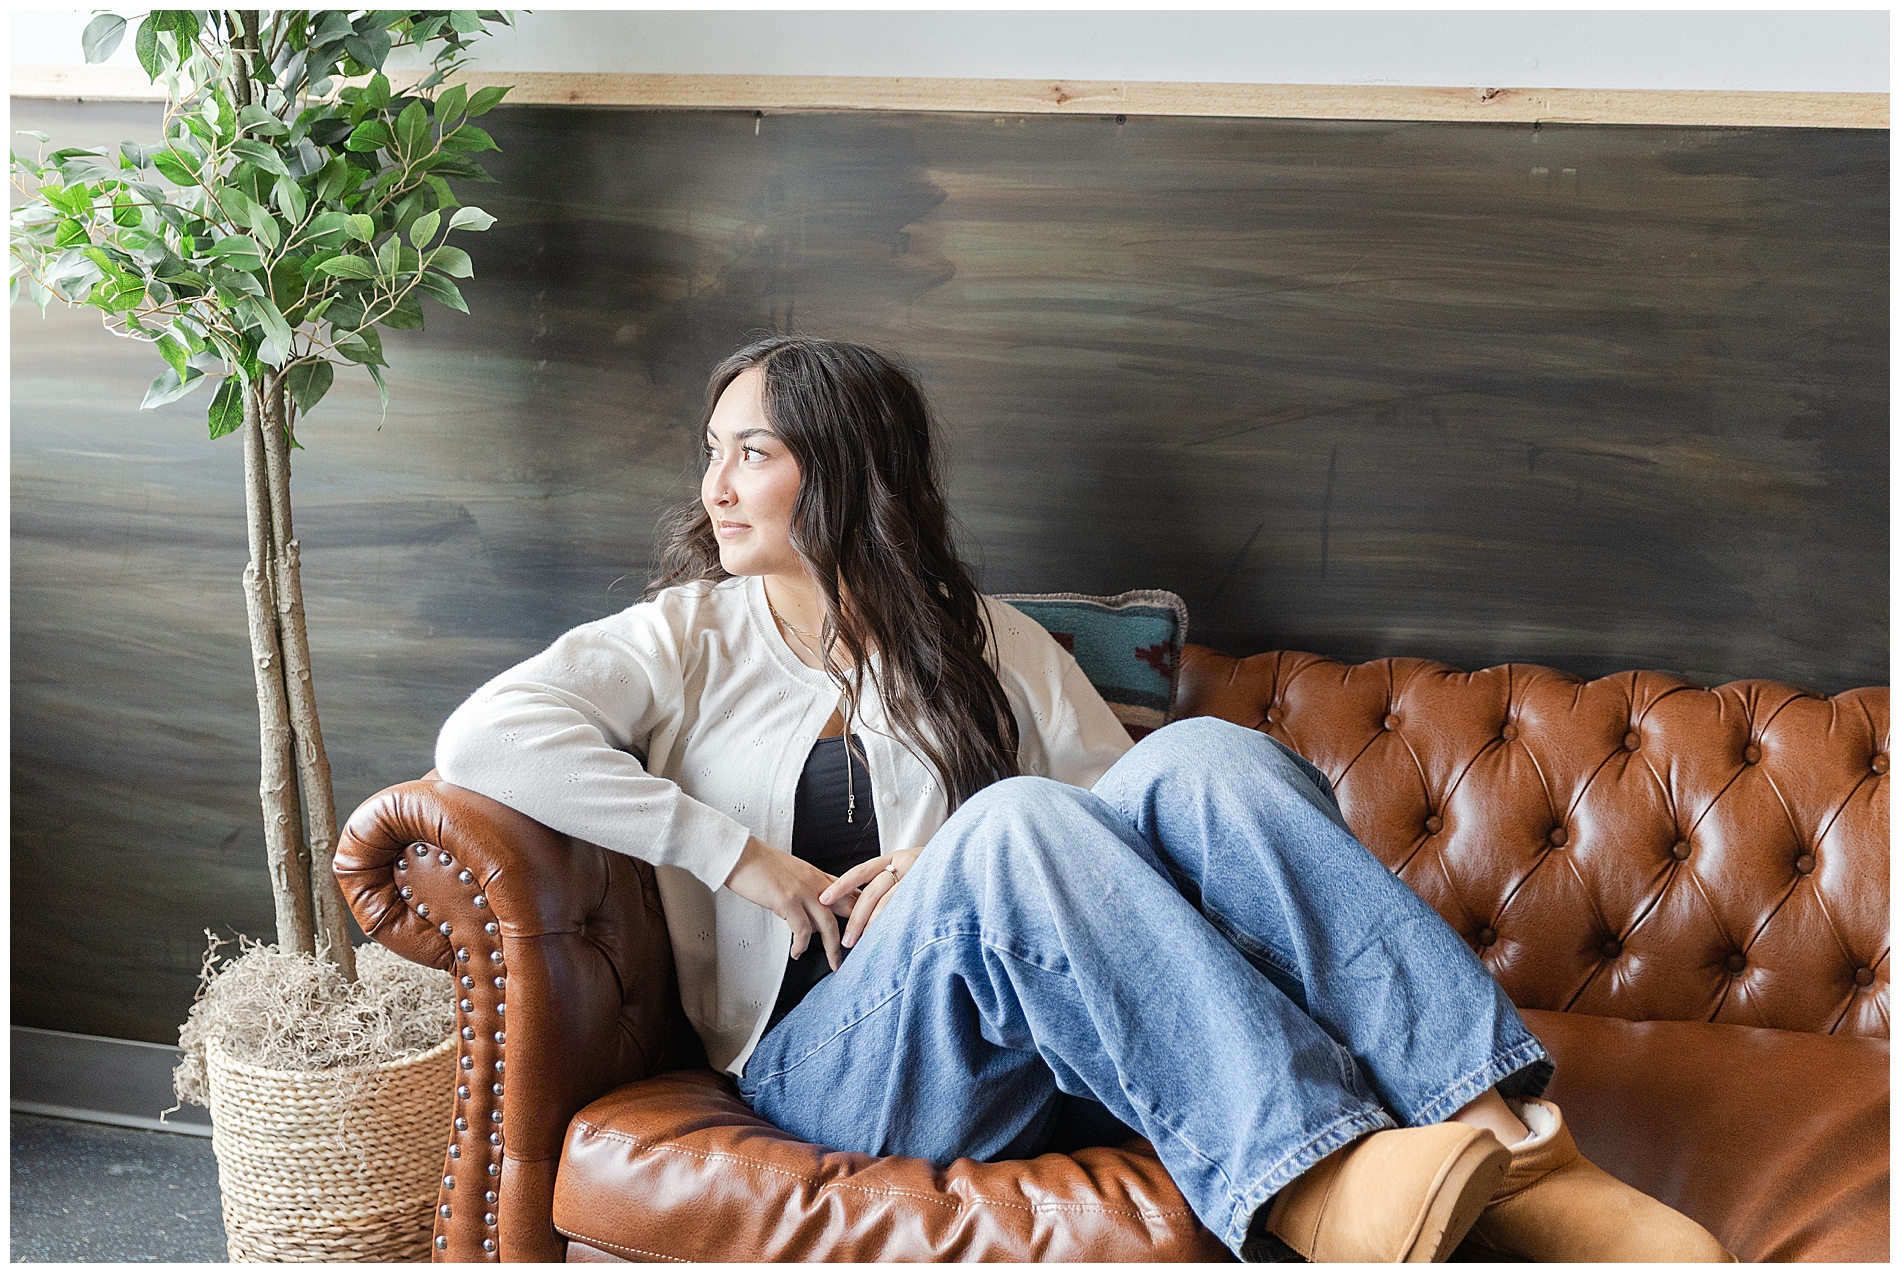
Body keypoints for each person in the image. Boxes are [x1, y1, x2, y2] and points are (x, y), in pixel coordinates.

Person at [434, 335, 1731, 1262]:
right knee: (1011, 822)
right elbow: (485, 734)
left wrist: (940, 869)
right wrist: (742, 858)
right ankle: (1327, 1183)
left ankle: (1513, 1147)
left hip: (1032, 1060)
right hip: (829, 1070)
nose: (714, 486)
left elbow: (1138, 821)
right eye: (712, 453)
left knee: (1197, 761)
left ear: (840, 470)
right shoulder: (688, 639)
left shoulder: (979, 639)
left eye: (751, 453)